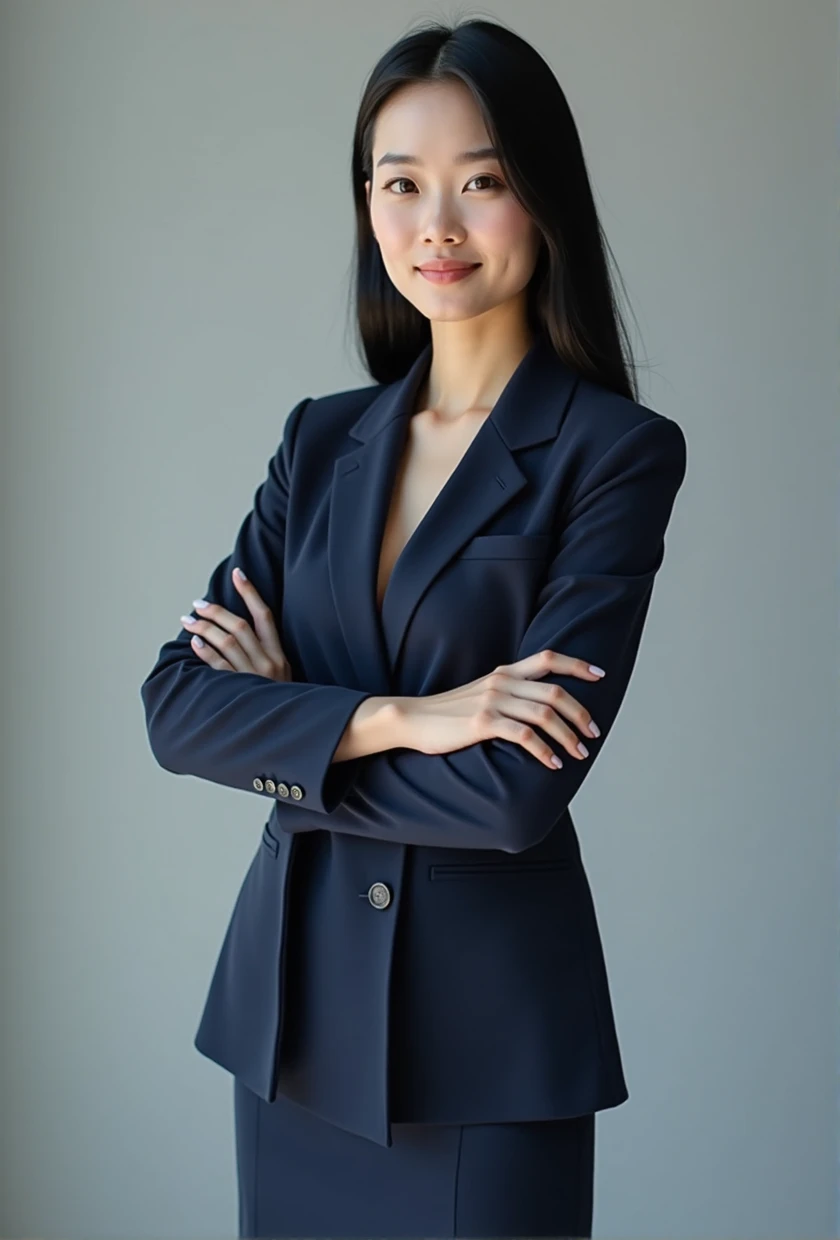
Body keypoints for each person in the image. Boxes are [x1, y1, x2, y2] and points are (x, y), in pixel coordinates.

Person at [140, 15, 687, 1239]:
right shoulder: (318, 439)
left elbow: (510, 795)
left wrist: (293, 743)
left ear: (542, 199)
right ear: (367, 205)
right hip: (290, 1025)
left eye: (480, 182)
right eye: (400, 184)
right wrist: (405, 717)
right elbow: (176, 707)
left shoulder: (613, 454)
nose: (434, 224)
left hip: (484, 1043)